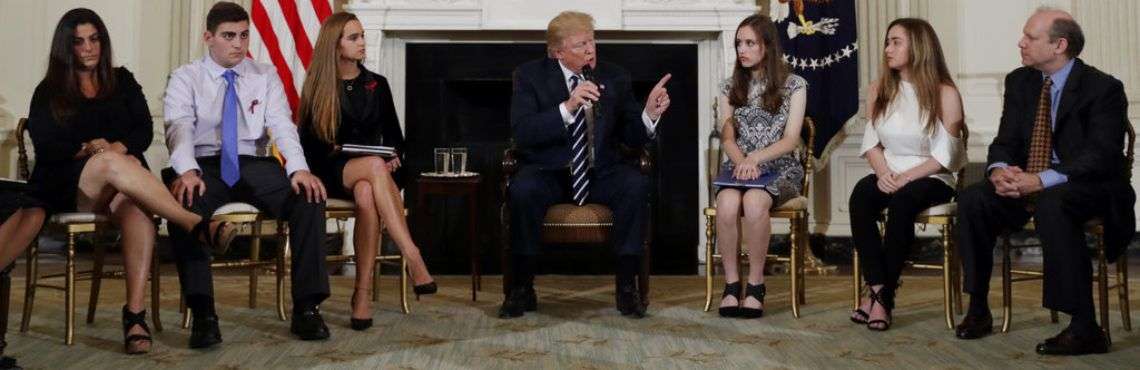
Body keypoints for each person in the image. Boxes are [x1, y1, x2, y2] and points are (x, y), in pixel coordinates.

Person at [26, 8, 238, 354]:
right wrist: (88, 148)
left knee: (137, 209)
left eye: (95, 39)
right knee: (110, 162)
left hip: (120, 180)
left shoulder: (121, 80)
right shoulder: (49, 89)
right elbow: (46, 143)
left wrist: (116, 146)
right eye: (79, 42)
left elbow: (142, 128)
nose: (89, 48)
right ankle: (195, 224)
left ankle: (135, 315)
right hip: (71, 186)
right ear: (67, 47)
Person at [953, 8, 1133, 356]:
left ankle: (1084, 327)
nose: (1020, 43)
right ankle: (978, 308)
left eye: (1030, 37)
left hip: (1087, 185)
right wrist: (999, 171)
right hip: (1028, 180)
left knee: (1054, 202)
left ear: (1059, 45)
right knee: (974, 200)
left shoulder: (1103, 88)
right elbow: (1004, 141)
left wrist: (1041, 180)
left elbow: (1101, 155)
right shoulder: (1019, 81)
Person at [162, 1, 332, 348]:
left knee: (308, 197)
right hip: (203, 164)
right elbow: (178, 128)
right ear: (208, 37)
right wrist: (188, 171)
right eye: (228, 36)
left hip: (253, 163)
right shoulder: (185, 77)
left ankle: (307, 308)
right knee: (184, 204)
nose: (238, 44)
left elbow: (282, 125)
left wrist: (299, 169)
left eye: (243, 35)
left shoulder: (264, 75)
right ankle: (204, 314)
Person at [500, 10, 671, 319]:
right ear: (557, 52)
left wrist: (649, 114)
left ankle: (627, 288)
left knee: (634, 184)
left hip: (600, 171)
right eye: (581, 45)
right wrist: (567, 107)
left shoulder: (614, 76)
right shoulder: (530, 76)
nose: (590, 49)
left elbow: (632, 136)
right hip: (549, 171)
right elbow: (523, 132)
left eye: (592, 41)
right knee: (522, 189)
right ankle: (522, 287)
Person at [297, 12, 436, 331]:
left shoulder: (377, 84)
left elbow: (397, 140)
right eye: (354, 37)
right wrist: (371, 160)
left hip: (372, 174)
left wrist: (393, 158)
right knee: (371, 169)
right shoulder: (317, 86)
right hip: (329, 172)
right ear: (335, 45)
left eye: (362, 36)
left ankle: (361, 295)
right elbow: (307, 149)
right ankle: (412, 255)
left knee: (366, 191)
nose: (363, 43)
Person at [848, 18, 965, 331]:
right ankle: (880, 291)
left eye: (896, 42)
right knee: (861, 196)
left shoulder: (945, 93)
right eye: (887, 42)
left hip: (932, 176)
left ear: (919, 46)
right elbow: (872, 143)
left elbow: (948, 156)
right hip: (892, 171)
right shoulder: (879, 90)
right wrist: (884, 172)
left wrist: (906, 177)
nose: (888, 49)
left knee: (902, 203)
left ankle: (880, 299)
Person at [713, 13, 807, 319]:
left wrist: (756, 159)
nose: (742, 49)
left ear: (767, 46)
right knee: (726, 204)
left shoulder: (794, 85)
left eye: (750, 43)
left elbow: (792, 139)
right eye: (739, 43)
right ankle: (731, 285)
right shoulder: (729, 87)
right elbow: (727, 137)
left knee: (754, 203)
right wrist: (742, 162)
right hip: (740, 168)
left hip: (780, 168)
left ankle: (755, 284)